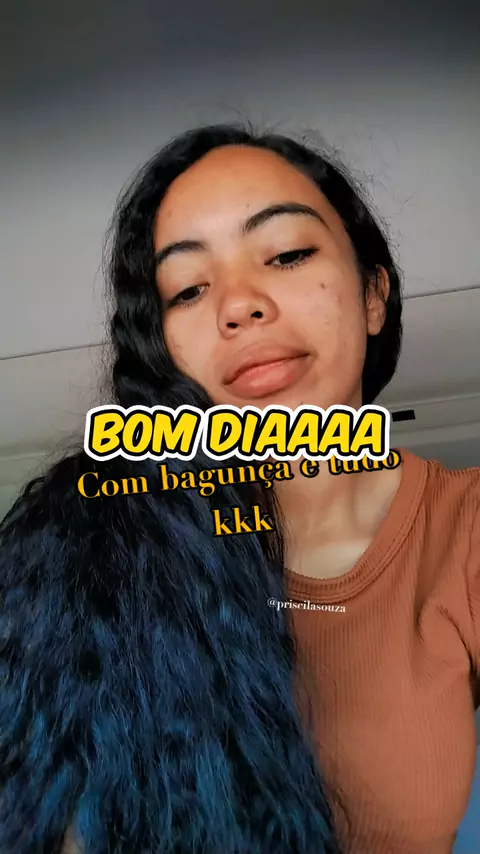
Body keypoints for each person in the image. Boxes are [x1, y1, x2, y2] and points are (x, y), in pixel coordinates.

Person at [0, 124, 478, 854]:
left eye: (286, 254)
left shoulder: (462, 527)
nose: (239, 304)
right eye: (188, 289)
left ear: (373, 294)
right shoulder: (79, 549)